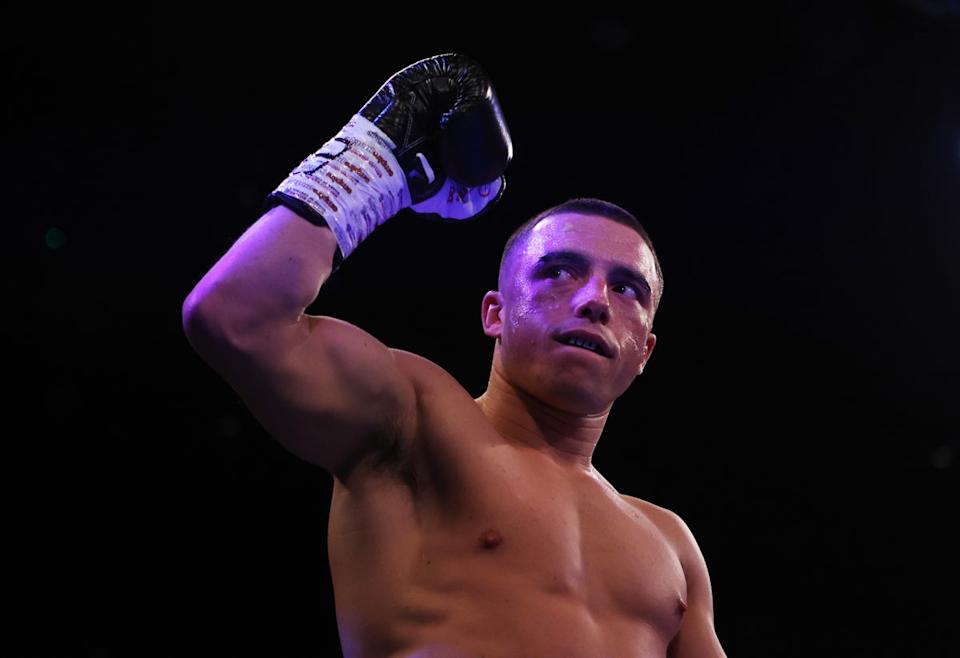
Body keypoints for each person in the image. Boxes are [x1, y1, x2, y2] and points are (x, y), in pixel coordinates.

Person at [182, 53, 727, 658]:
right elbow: (234, 315)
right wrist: (376, 160)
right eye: (559, 272)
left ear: (645, 349)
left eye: (627, 288)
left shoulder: (670, 544)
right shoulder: (418, 421)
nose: (595, 301)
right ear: (495, 313)